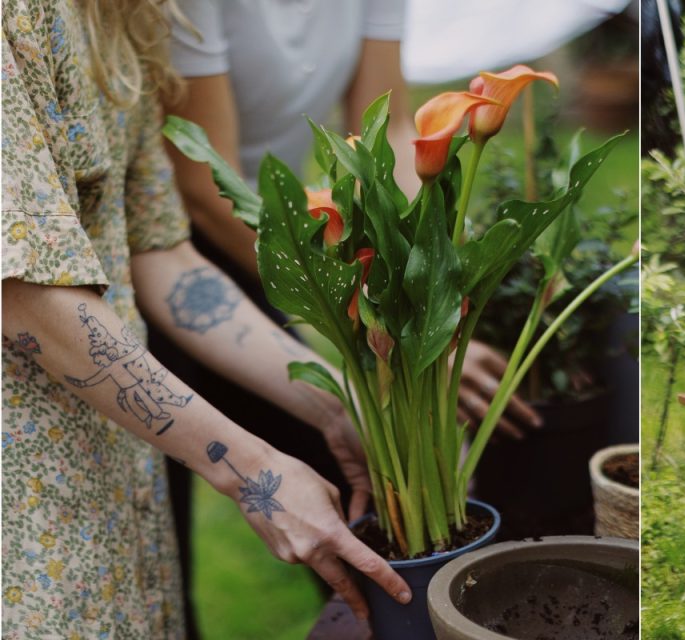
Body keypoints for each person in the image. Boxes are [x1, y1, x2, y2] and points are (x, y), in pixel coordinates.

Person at [1, 2, 409, 637]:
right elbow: (21, 290)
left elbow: (160, 251)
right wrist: (253, 471)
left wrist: (338, 404)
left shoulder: (127, 15)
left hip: (109, 467)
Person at [156, 2, 542, 633]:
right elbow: (201, 182)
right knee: (157, 523)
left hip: (290, 237)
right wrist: (354, 300)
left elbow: (389, 133)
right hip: (200, 234)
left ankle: (367, 618)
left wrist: (430, 288)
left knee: (347, 463)